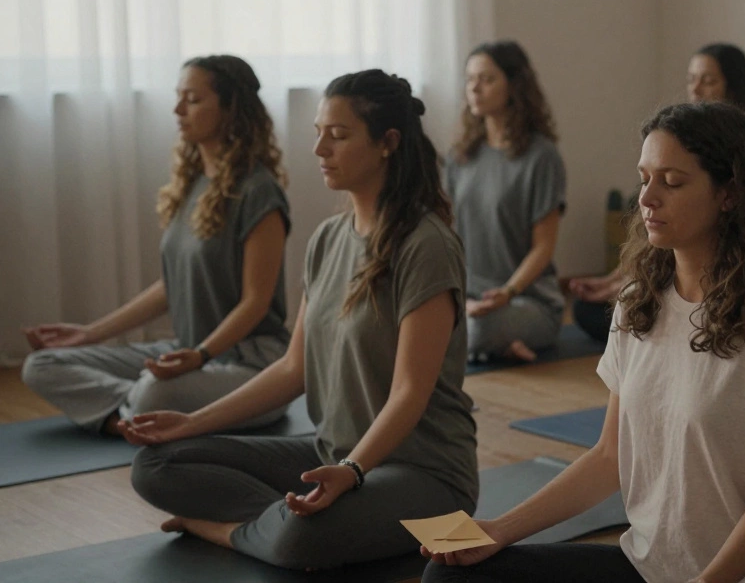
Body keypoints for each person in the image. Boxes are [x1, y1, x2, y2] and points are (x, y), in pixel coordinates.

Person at [423, 102, 745, 583]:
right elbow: (610, 457)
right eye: (644, 178)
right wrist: (499, 530)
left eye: (672, 182)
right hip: (649, 567)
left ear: (730, 194)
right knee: (450, 577)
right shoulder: (639, 300)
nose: (647, 198)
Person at [124, 70, 478, 570]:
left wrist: (354, 470)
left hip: (424, 475)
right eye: (318, 133)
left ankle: (232, 530)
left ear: (387, 144)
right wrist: (191, 423)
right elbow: (294, 370)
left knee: (302, 541)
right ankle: (281, 522)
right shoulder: (327, 239)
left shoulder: (427, 245)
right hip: (329, 456)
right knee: (157, 464)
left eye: (338, 135)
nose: (319, 149)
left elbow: (409, 394)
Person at [21, 55, 291, 433]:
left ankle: (137, 411)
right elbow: (172, 287)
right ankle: (135, 417)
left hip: (250, 364)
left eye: (193, 100)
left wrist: (200, 356)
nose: (178, 110)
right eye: (179, 98)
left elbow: (255, 302)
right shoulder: (194, 184)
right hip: (189, 353)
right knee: (43, 365)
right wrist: (89, 333)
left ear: (232, 109)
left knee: (153, 392)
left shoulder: (260, 192)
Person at [569, 42, 745, 342]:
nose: (696, 89)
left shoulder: (740, 161)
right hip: (664, 284)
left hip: (716, 295)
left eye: (672, 182)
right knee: (596, 308)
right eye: (691, 79)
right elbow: (651, 241)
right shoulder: (669, 144)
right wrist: (613, 283)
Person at [447, 41, 566, 362]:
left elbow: (543, 248)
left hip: (525, 300)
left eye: (486, 79)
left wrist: (507, 292)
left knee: (474, 329)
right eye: (470, 79)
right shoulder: (461, 156)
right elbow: (447, 233)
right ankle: (502, 347)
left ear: (514, 86)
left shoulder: (542, 157)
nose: (474, 88)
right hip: (469, 298)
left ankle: (494, 342)